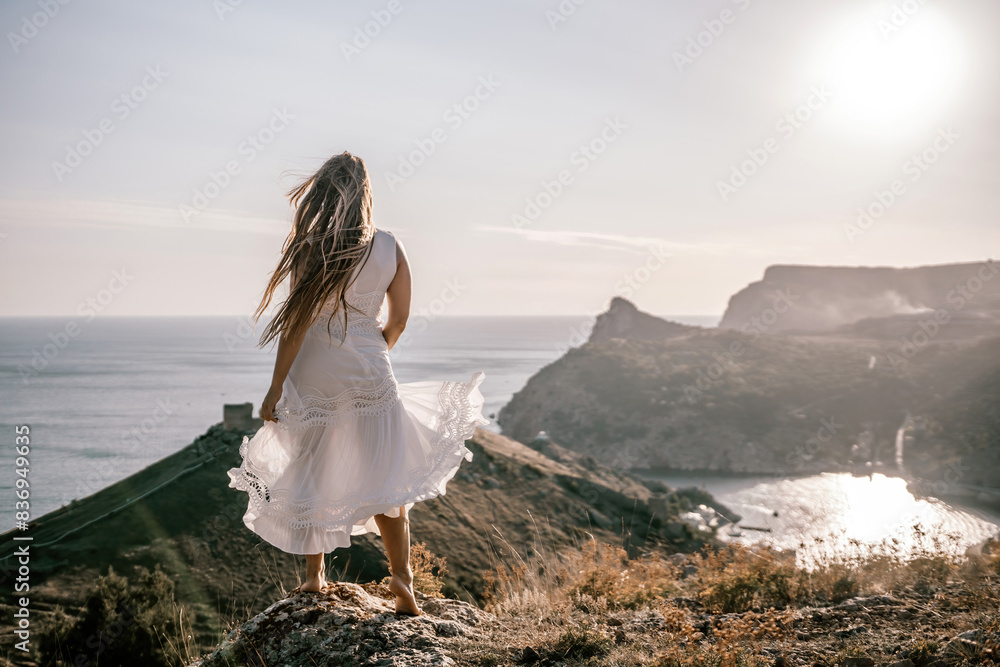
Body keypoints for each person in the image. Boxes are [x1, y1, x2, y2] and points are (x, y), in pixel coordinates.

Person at [227, 151, 488, 615]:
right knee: (387, 476)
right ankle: (403, 582)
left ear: (323, 194)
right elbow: (401, 320)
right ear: (366, 193)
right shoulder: (390, 246)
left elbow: (295, 326)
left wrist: (274, 387)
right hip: (370, 366)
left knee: (311, 465)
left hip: (314, 370)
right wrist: (372, 350)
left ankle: (314, 577)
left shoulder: (311, 247)